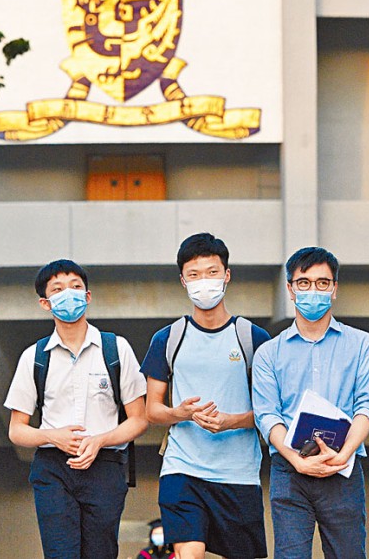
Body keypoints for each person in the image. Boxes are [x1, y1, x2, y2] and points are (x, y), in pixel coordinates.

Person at [4, 259, 148, 559]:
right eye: (58, 289)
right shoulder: (34, 357)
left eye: (76, 287)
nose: (68, 294)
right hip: (53, 468)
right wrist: (53, 436)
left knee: (102, 552)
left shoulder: (116, 349)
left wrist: (100, 440)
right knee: (60, 553)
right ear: (45, 303)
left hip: (105, 466)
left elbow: (139, 419)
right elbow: (16, 430)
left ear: (88, 296)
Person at [140, 233, 270, 559]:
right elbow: (152, 410)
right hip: (183, 468)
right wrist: (180, 413)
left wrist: (231, 421)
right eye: (194, 275)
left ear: (227, 275)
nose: (204, 282)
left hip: (238, 472)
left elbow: (272, 411)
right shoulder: (168, 338)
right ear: (183, 280)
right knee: (190, 553)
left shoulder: (253, 338)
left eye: (212, 272)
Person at [252, 246, 369, 559]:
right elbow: (267, 415)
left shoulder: (362, 344)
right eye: (304, 283)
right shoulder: (269, 354)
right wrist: (296, 459)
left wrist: (345, 454)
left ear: (335, 289)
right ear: (290, 289)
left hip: (344, 468)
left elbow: (368, 406)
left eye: (323, 283)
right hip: (290, 469)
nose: (314, 290)